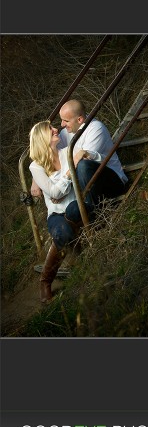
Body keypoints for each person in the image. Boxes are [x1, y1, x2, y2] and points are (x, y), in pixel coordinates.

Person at [28, 121, 77, 303]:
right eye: (51, 129)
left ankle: (76, 254)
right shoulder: (36, 167)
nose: (57, 129)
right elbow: (55, 193)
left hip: (74, 207)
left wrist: (59, 188)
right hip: (56, 214)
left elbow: (90, 156)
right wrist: (66, 178)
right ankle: (45, 281)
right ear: (42, 138)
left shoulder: (66, 153)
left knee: (75, 216)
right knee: (62, 232)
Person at [58, 99, 128, 226]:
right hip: (86, 186)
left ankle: (96, 218)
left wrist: (61, 187)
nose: (62, 124)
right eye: (62, 120)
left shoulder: (95, 128)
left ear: (79, 120)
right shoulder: (65, 133)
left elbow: (82, 162)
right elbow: (52, 157)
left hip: (112, 181)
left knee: (83, 166)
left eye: (66, 121)